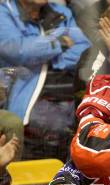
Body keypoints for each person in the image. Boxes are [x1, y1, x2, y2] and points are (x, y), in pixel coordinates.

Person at [0, 0, 90, 161]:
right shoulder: (4, 12)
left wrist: (51, 61)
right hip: (24, 113)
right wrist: (59, 42)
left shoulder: (61, 13)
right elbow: (17, 50)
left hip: (65, 113)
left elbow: (83, 48)